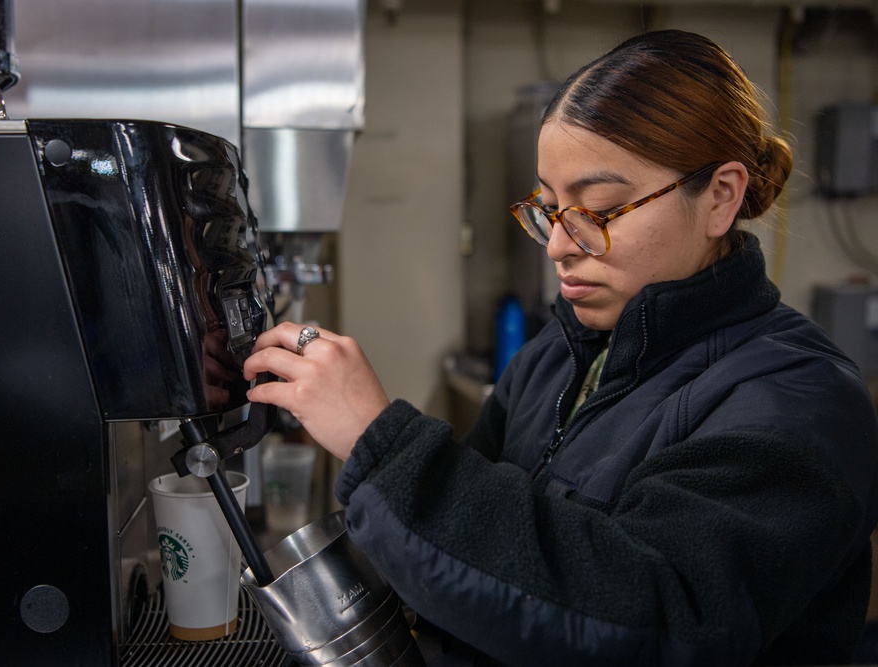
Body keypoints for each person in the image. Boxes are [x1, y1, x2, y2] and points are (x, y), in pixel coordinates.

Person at [243, 29, 878, 666]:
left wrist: (381, 446)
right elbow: (474, 560)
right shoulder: (557, 355)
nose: (559, 245)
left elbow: (657, 619)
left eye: (600, 210)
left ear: (720, 196)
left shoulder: (799, 400)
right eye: (550, 208)